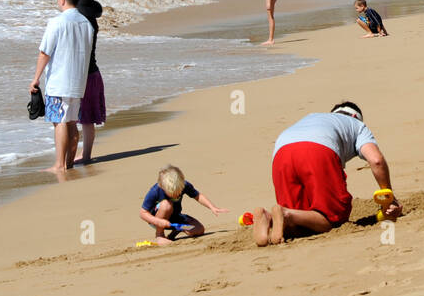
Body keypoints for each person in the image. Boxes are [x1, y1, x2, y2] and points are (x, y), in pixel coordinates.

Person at [252, 101, 399, 247]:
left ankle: (268, 218)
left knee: (300, 222)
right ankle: (285, 213)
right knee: (333, 220)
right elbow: (376, 160)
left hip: (281, 152)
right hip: (318, 149)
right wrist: (389, 198)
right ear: (355, 116)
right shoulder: (357, 125)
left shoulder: (313, 117)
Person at [30, 0, 95, 173]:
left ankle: (59, 165)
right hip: (78, 80)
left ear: (62, 0)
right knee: (72, 122)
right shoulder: (86, 23)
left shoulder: (57, 22)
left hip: (60, 80)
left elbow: (44, 53)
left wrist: (35, 79)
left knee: (59, 121)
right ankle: (69, 162)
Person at [139, 165, 226, 244]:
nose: (176, 195)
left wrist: (212, 207)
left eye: (178, 192)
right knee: (166, 205)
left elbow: (198, 196)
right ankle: (160, 235)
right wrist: (158, 221)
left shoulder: (184, 185)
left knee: (198, 229)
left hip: (175, 219)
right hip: (157, 219)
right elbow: (143, 213)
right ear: (162, 186)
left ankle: (178, 229)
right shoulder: (155, 191)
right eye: (172, 193)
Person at [75, 0, 106, 165]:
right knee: (87, 119)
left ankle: (85, 155)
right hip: (93, 74)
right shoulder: (92, 23)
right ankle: (85, 153)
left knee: (82, 119)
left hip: (85, 76)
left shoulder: (83, 25)